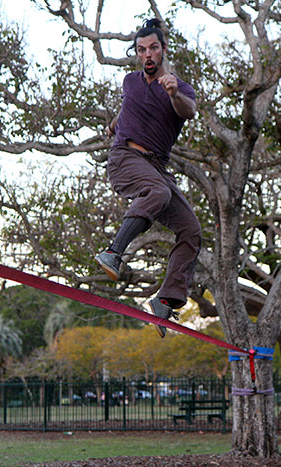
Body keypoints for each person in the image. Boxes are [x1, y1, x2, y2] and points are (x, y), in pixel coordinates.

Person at [94, 19, 200, 338]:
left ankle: (166, 300)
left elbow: (189, 110)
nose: (148, 55)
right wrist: (114, 124)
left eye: (153, 48)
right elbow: (128, 107)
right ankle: (114, 252)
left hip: (156, 168)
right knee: (157, 191)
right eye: (142, 50)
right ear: (138, 54)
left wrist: (172, 94)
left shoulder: (179, 89)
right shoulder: (130, 82)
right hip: (125, 159)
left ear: (163, 49)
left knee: (191, 230)